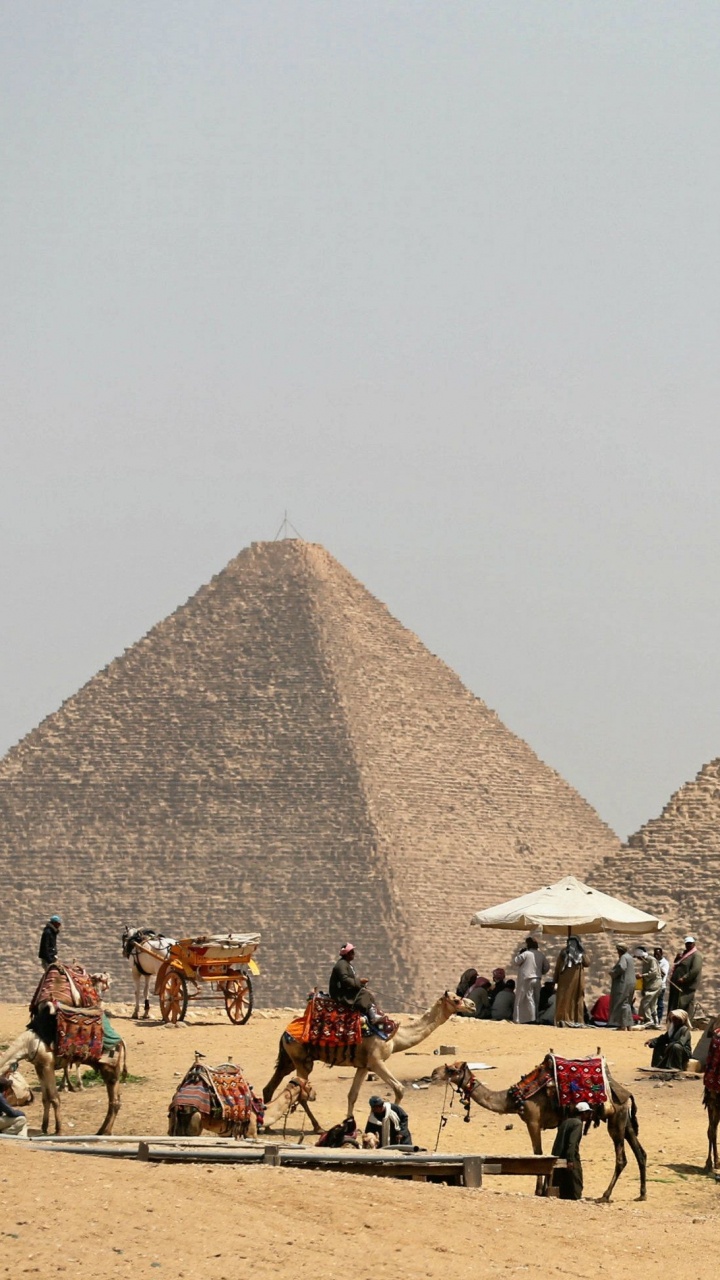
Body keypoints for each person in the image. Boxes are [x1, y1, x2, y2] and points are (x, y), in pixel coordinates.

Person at [551, 1101, 590, 1199]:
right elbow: (572, 1143)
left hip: (558, 1154)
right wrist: (571, 1159)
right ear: (583, 1113)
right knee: (576, 1179)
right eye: (588, 1113)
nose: (588, 1115)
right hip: (570, 1156)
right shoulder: (577, 1124)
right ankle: (574, 1197)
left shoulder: (566, 1121)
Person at [329, 943, 377, 1019]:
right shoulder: (341, 965)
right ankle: (372, 1016)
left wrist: (361, 985)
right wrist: (360, 981)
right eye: (352, 952)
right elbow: (345, 980)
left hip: (345, 991)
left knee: (367, 994)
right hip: (340, 994)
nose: (354, 954)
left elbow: (350, 981)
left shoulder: (346, 964)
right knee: (363, 994)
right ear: (347, 954)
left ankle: (372, 1013)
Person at [553, 935, 588, 1026]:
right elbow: (587, 963)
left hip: (566, 980)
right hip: (576, 981)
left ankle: (564, 1019)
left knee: (565, 999)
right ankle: (575, 1020)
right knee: (572, 999)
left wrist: (555, 979)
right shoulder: (579, 954)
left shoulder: (564, 952)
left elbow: (558, 967)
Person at [667, 937, 703, 1022]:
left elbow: (695, 970)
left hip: (686, 986)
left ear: (694, 944)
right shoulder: (685, 954)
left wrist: (684, 978)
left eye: (690, 943)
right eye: (687, 943)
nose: (688, 945)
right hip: (677, 985)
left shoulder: (696, 955)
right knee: (675, 1003)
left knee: (683, 1003)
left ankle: (683, 1022)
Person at [512, 937, 548, 1023]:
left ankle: (521, 1019)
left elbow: (516, 961)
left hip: (526, 979)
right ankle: (536, 1018)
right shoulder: (541, 955)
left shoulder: (526, 953)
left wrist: (520, 953)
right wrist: (540, 971)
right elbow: (547, 967)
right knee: (536, 999)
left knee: (523, 999)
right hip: (537, 979)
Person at [609, 943, 635, 1030]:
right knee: (627, 1003)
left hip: (623, 983)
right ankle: (629, 1025)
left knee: (621, 1003)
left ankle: (622, 1025)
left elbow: (621, 967)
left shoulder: (624, 957)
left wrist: (613, 973)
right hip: (631, 983)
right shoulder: (630, 957)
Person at [634, 946, 662, 1027]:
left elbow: (654, 972)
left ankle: (649, 1020)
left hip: (654, 984)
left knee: (645, 1002)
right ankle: (656, 1022)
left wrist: (642, 976)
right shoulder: (646, 961)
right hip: (650, 985)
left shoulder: (651, 960)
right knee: (652, 1004)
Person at [654, 947, 670, 1024]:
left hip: (661, 986)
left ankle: (659, 1020)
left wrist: (656, 967)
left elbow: (663, 974)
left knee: (659, 1004)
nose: (656, 956)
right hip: (653, 985)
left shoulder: (664, 963)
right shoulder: (654, 961)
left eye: (658, 954)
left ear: (661, 954)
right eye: (655, 954)